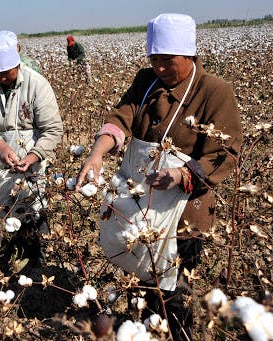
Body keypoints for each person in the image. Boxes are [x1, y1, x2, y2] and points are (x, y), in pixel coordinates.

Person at [75, 13, 243, 340]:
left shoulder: (215, 92)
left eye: (168, 60)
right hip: (141, 202)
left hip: (186, 213)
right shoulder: (145, 81)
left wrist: (182, 174)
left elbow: (225, 153)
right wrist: (98, 152)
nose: (160, 67)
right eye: (154, 59)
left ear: (190, 55)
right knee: (138, 276)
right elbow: (121, 118)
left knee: (173, 292)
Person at [0, 33, 63, 265]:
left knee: (34, 208)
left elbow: (52, 130)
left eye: (7, 72)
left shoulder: (37, 84)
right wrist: (0, 145)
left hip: (32, 161)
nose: (1, 78)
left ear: (17, 63)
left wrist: (33, 156)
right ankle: (15, 248)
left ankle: (37, 257)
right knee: (4, 207)